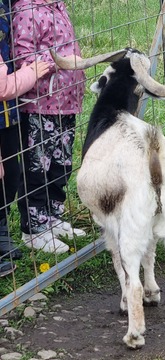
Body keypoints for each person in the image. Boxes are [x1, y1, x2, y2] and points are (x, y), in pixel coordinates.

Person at [12, 0, 86, 254]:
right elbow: (23, 57)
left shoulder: (57, 6)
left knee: (60, 164)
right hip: (40, 104)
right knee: (37, 167)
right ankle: (33, 227)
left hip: (66, 102)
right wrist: (61, 60)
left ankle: (53, 216)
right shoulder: (26, 11)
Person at [0, 0, 48, 276]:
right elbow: (3, 87)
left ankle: (2, 228)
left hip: (9, 115)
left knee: (12, 174)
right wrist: (32, 71)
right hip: (8, 94)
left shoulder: (12, 4)